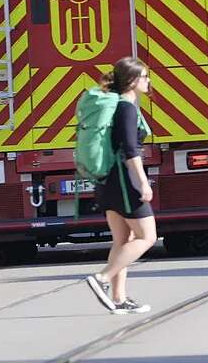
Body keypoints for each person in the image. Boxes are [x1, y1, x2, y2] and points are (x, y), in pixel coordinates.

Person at [83, 57, 155, 315]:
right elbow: (130, 148)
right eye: (145, 77)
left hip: (109, 180)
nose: (148, 82)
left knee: (123, 239)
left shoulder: (118, 105)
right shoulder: (126, 107)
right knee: (148, 236)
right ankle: (101, 279)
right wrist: (142, 183)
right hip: (124, 180)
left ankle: (119, 298)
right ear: (133, 81)